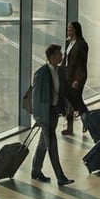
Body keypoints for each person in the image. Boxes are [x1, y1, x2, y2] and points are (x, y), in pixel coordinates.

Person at [30, 43, 74, 185]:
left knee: (43, 143)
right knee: (52, 145)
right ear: (51, 57)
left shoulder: (61, 71)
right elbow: (35, 97)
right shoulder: (41, 73)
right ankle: (60, 177)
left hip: (55, 112)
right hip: (44, 114)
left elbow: (63, 92)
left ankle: (35, 171)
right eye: (59, 54)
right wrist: (37, 116)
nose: (61, 56)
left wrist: (68, 106)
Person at [61, 20, 90, 135]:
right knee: (69, 103)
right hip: (67, 76)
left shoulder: (82, 44)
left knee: (77, 102)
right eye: (68, 29)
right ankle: (70, 127)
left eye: (70, 29)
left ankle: (87, 121)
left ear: (76, 30)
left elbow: (82, 64)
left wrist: (77, 80)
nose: (68, 31)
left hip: (76, 78)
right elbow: (66, 59)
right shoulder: (69, 43)